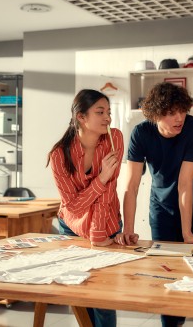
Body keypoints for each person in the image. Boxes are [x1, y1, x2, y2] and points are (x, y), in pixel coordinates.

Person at [115, 82, 193, 327]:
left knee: (188, 265)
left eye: (182, 111)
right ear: (156, 114)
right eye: (170, 113)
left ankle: (187, 309)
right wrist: (128, 228)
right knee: (164, 268)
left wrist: (188, 233)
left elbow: (185, 183)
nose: (179, 118)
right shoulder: (141, 133)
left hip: (192, 201)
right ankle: (171, 322)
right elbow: (131, 185)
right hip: (160, 205)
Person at [47, 88, 123, 327]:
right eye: (100, 112)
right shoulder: (59, 155)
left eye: (108, 112)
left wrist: (99, 235)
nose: (107, 117)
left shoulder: (114, 138)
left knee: (104, 294)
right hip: (72, 227)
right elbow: (74, 206)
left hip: (107, 224)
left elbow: (109, 192)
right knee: (80, 291)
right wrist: (100, 178)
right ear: (81, 117)